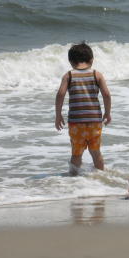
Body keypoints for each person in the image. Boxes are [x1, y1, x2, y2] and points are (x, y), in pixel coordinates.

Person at [55, 42, 111, 174]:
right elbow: (107, 94)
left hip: (76, 123)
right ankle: (101, 178)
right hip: (94, 122)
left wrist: (58, 115)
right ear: (91, 60)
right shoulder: (97, 75)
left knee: (76, 153)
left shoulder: (68, 76)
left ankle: (74, 179)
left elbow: (60, 94)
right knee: (96, 153)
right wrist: (108, 113)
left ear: (71, 61)